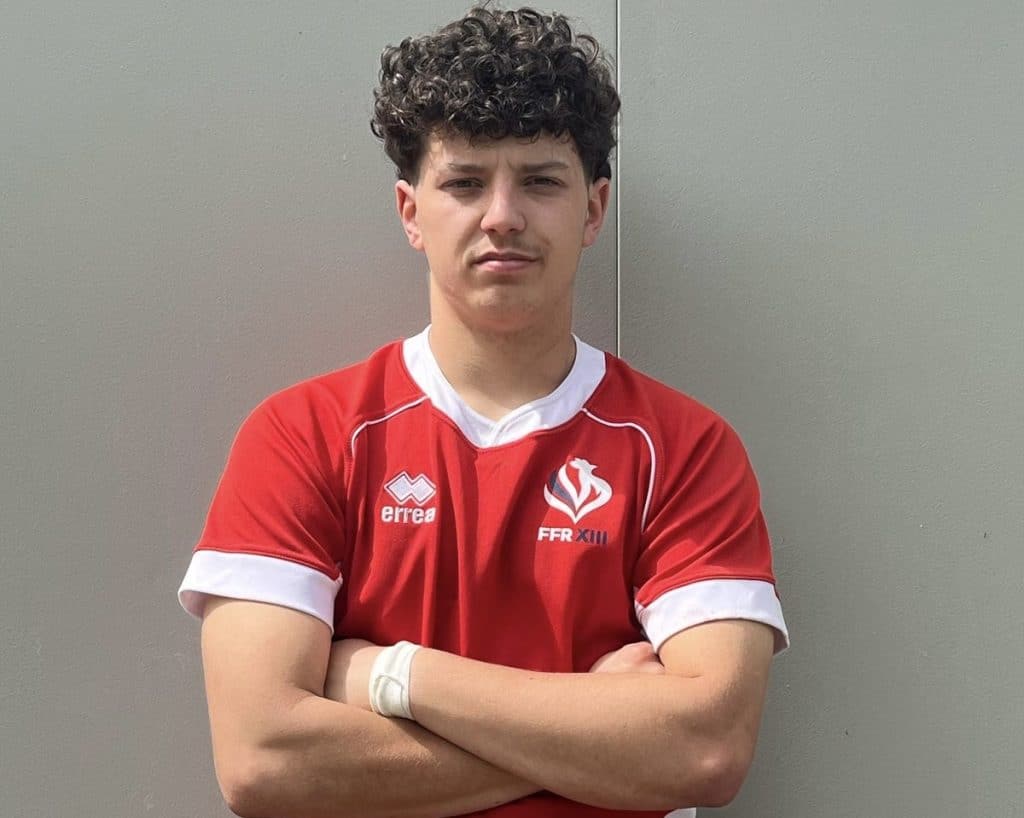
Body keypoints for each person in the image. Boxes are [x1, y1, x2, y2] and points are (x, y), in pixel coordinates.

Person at [178, 5, 789, 817]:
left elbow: (705, 749)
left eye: (540, 181)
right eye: (465, 183)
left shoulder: (683, 448)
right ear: (411, 213)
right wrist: (598, 731)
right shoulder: (304, 435)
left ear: (594, 210)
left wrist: (393, 674)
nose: (502, 214)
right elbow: (263, 762)